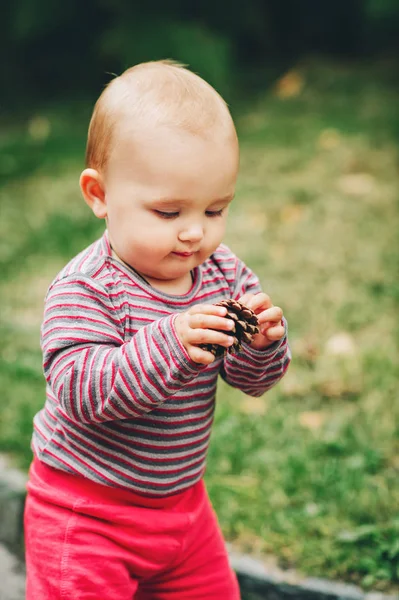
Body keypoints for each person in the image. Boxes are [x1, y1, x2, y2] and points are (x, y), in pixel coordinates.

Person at [24, 59, 291, 600]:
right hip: (87, 514)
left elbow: (251, 379)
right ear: (99, 195)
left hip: (184, 512)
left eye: (216, 209)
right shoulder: (87, 288)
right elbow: (81, 391)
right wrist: (168, 342)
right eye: (168, 212)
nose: (195, 232)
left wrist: (262, 345)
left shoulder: (223, 274)